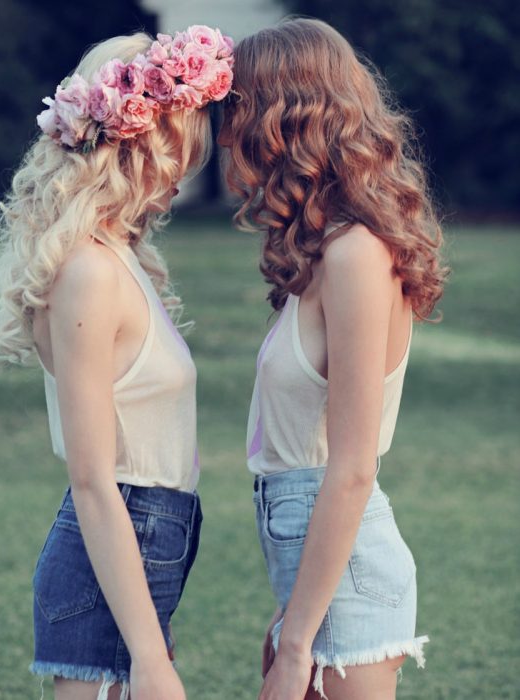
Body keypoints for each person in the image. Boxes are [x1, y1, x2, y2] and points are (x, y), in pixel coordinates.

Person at [0, 26, 234, 700]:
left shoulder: (115, 257)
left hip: (143, 538)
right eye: (183, 147)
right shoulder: (90, 273)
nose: (188, 169)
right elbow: (93, 479)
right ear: (144, 142)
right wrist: (150, 657)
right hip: (118, 535)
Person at [218, 17, 447, 700]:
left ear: (281, 120)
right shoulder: (322, 253)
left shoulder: (356, 256)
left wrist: (296, 647)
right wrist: (292, 610)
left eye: (237, 113)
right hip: (317, 565)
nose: (225, 136)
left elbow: (349, 469)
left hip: (347, 567)